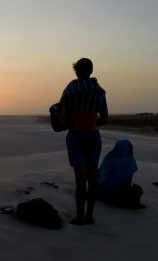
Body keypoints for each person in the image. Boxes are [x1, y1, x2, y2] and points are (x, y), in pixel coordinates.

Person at [59, 58, 108, 225]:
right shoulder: (100, 91)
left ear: (76, 71)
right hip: (94, 135)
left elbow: (63, 118)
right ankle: (90, 216)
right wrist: (92, 122)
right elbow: (105, 118)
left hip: (76, 135)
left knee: (80, 179)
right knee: (92, 176)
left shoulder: (71, 89)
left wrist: (71, 122)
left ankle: (80, 217)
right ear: (91, 70)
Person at [98, 139, 144, 209]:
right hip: (123, 186)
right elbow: (134, 169)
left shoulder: (111, 157)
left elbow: (102, 172)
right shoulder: (131, 159)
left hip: (108, 186)